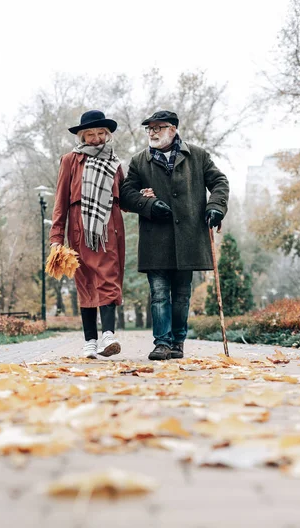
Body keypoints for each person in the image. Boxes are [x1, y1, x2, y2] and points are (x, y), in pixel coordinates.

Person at [120, 110, 229, 360]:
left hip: (189, 237)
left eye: (158, 128)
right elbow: (126, 193)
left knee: (181, 295)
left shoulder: (198, 156)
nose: (152, 132)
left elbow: (220, 182)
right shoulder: (139, 160)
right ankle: (162, 343)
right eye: (149, 128)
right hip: (155, 239)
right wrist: (147, 205)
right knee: (159, 293)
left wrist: (215, 207)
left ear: (173, 129)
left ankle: (178, 342)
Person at [49, 110, 125, 359]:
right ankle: (90, 341)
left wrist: (143, 197)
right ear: (82, 135)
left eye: (101, 133)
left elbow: (125, 198)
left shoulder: (115, 162)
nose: (96, 138)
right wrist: (56, 239)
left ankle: (108, 336)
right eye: (90, 134)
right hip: (80, 228)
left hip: (109, 228)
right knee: (85, 281)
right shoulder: (70, 160)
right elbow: (60, 201)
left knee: (108, 278)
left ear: (107, 134)